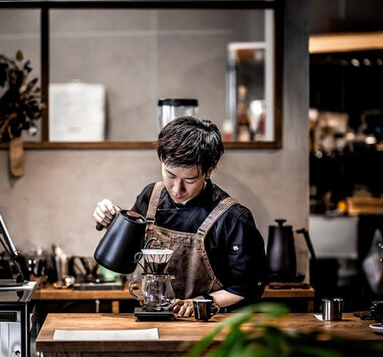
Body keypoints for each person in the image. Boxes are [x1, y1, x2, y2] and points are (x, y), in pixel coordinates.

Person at [93, 116, 267, 317]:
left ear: (208, 171)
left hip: (208, 323)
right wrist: (111, 222)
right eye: (170, 175)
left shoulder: (232, 217)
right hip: (155, 315)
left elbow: (248, 287)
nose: (177, 189)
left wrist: (201, 303)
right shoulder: (151, 197)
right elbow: (125, 260)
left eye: (190, 180)